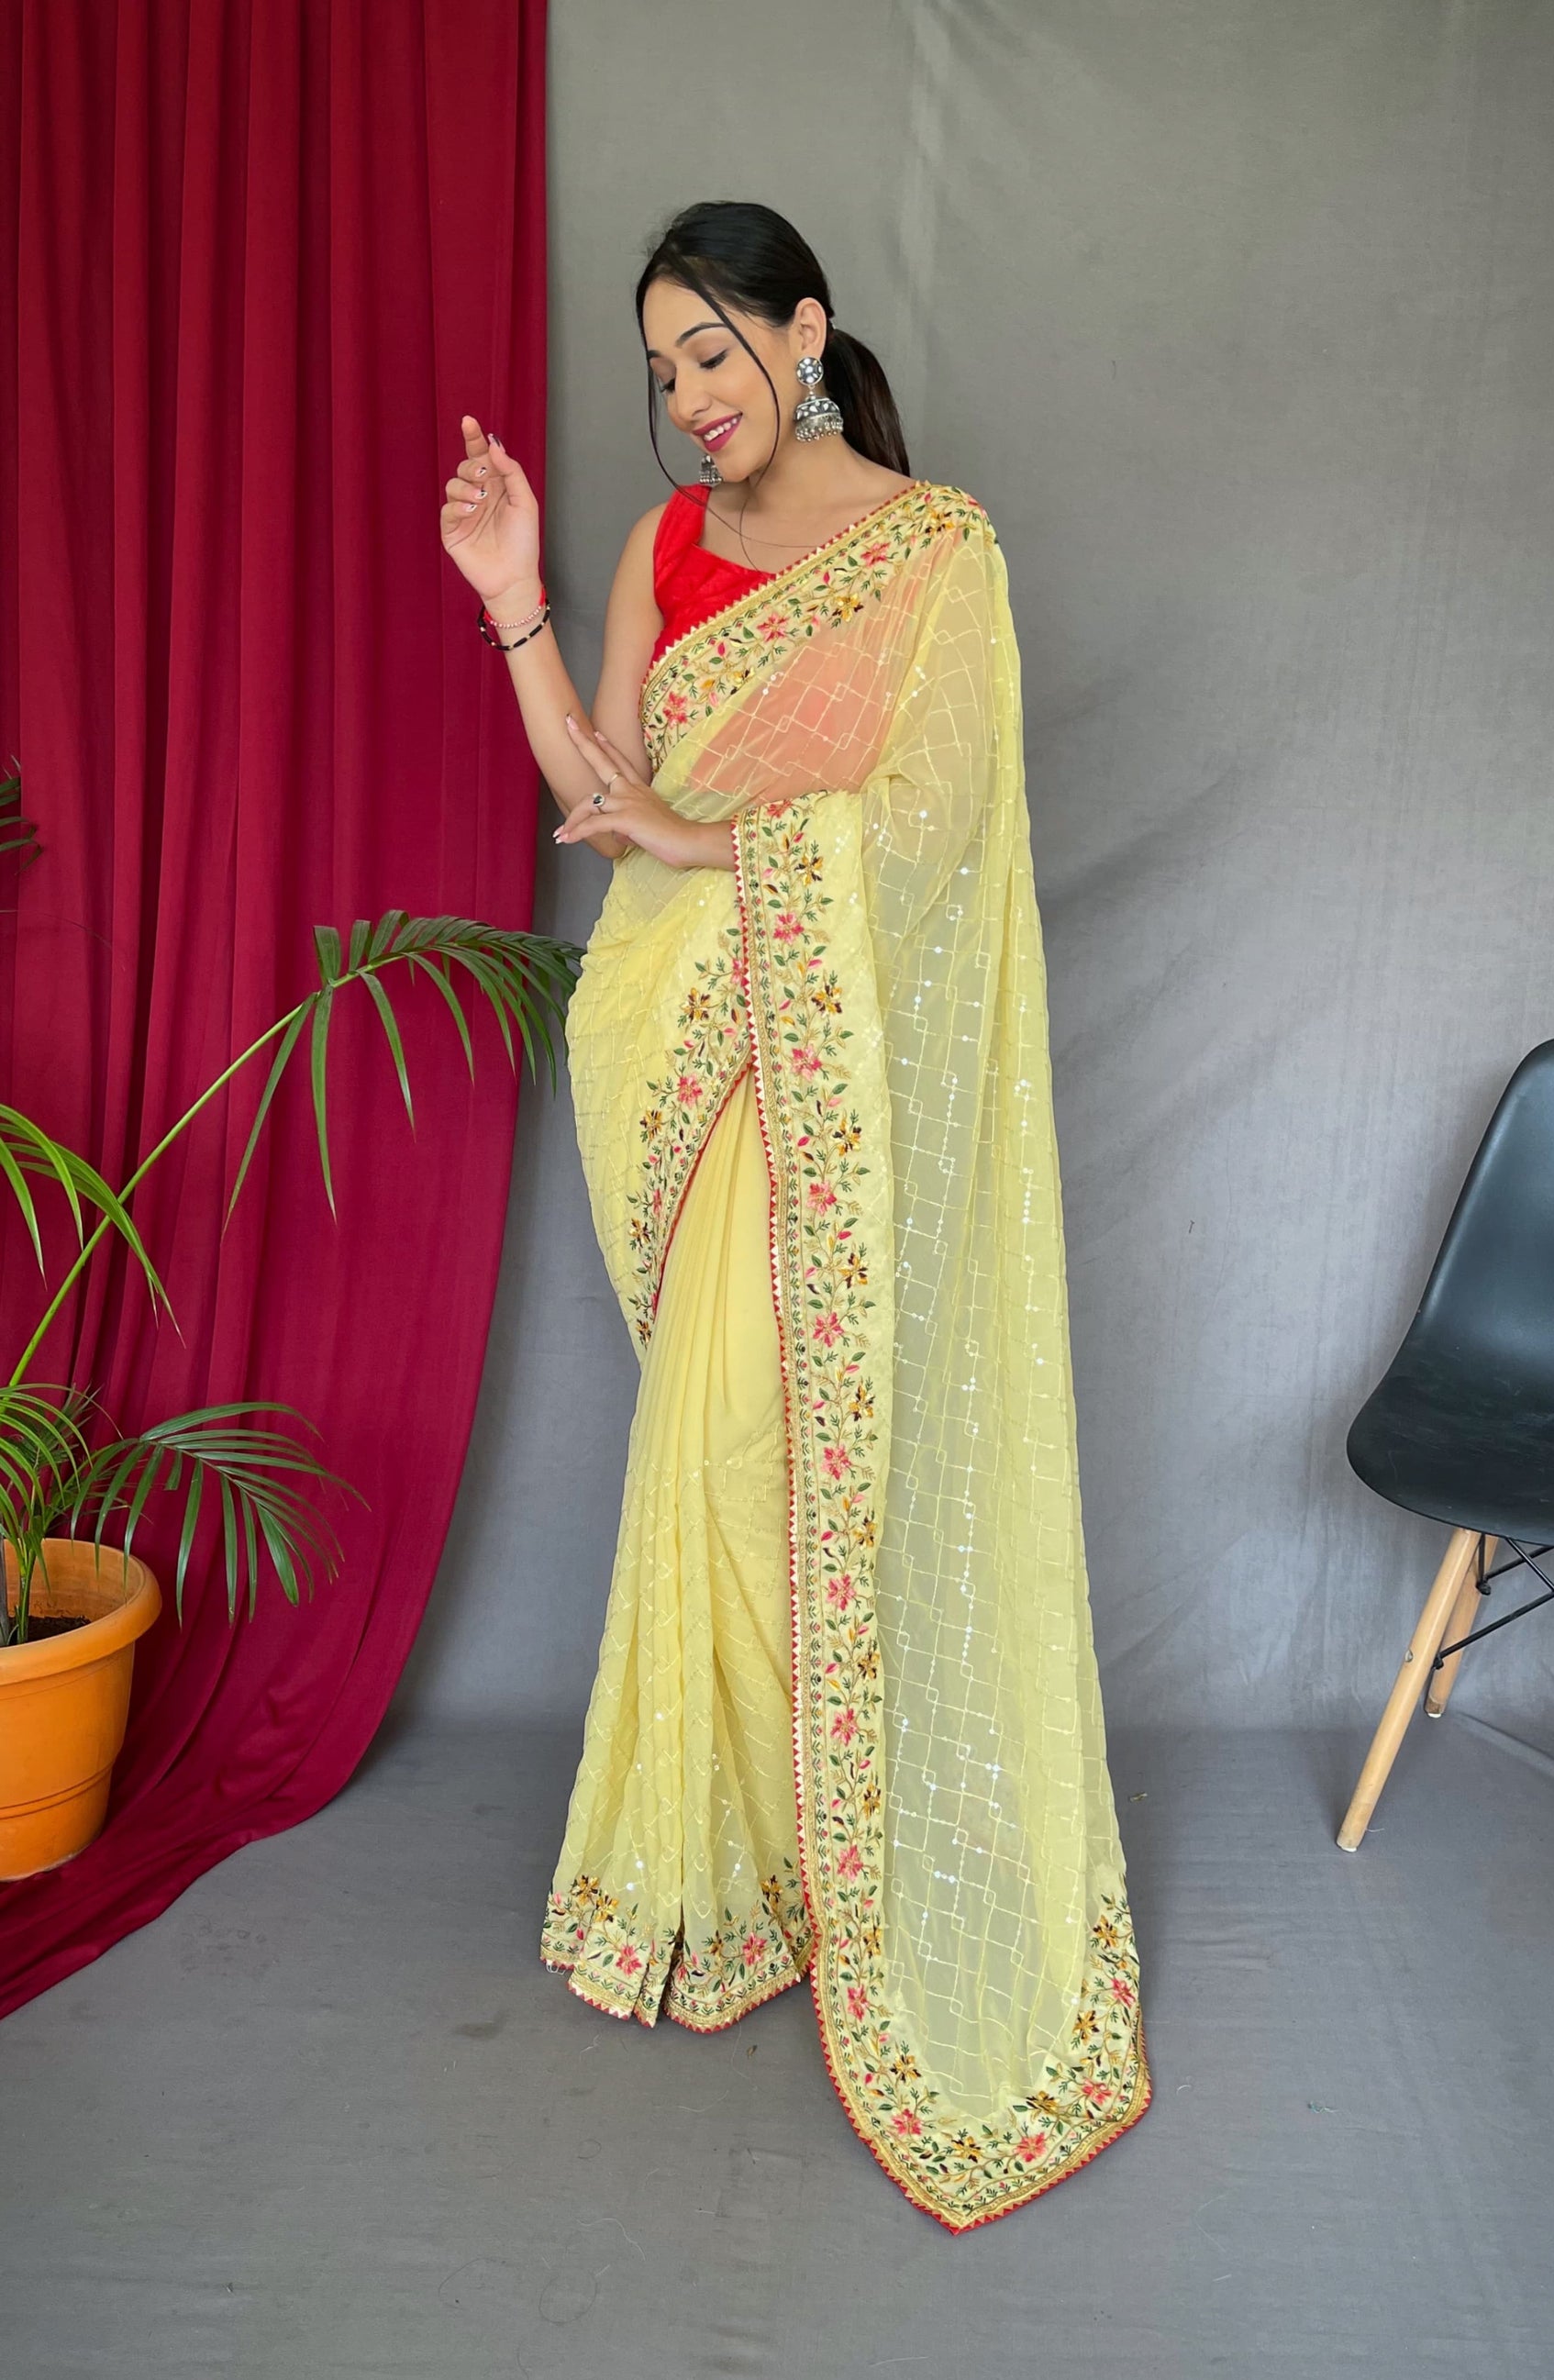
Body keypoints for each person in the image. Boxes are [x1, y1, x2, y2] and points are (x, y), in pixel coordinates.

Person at [439, 200, 1149, 2232]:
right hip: (687, 1049)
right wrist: (514, 597)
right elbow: (603, 797)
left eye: (712, 350)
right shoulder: (666, 549)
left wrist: (721, 844)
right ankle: (742, 1865)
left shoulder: (934, 552)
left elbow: (937, 833)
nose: (687, 396)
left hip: (828, 1069)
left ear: (804, 332)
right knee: (722, 1457)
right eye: (660, 368)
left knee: (758, 1445)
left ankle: (833, 1846)